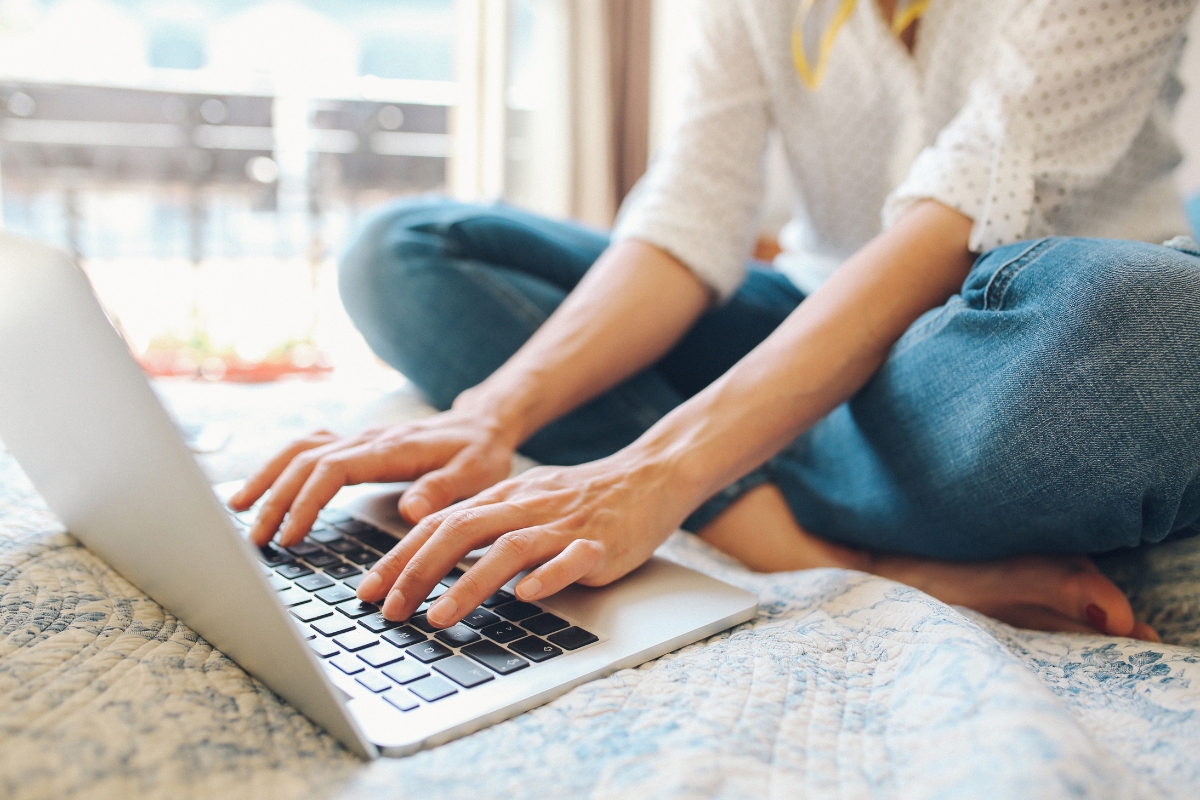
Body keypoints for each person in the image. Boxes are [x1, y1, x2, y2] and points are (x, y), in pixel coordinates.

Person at [232, 0, 1200, 642]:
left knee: (1150, 324)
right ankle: (830, 541)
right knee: (408, 246)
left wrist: (656, 468)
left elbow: (958, 215)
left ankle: (748, 450)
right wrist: (495, 412)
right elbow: (691, 212)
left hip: (996, 348)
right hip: (804, 312)